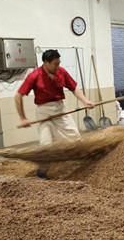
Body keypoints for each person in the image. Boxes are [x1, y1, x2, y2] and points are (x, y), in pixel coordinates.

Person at [16, 49, 94, 179]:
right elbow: (18, 96)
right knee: (46, 142)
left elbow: (74, 88)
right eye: (55, 64)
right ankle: (43, 170)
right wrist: (23, 117)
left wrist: (85, 101)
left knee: (74, 137)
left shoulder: (61, 72)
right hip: (44, 111)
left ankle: (81, 164)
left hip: (60, 109)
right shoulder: (34, 75)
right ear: (46, 63)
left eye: (59, 63)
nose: (58, 66)